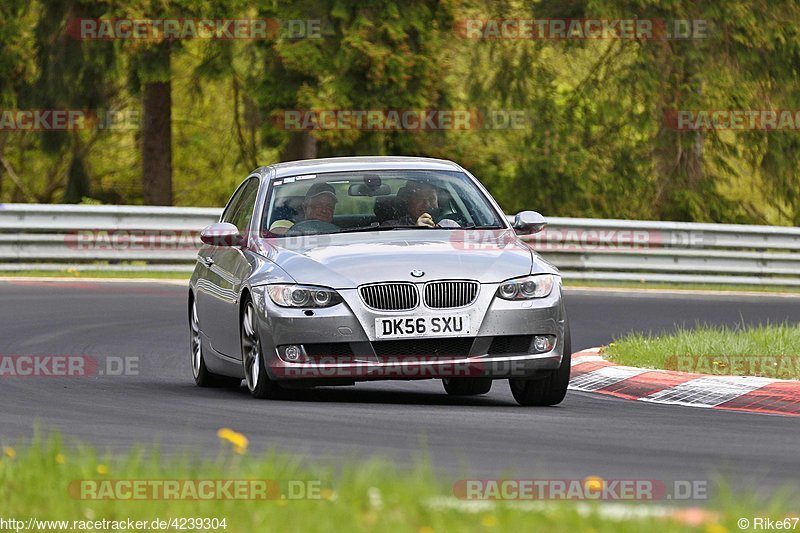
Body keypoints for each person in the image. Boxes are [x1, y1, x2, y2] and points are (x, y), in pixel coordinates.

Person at [268, 182, 338, 234]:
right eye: (318, 205)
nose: (324, 210)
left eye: (329, 206)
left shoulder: (341, 231)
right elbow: (276, 232)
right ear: (305, 207)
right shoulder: (285, 224)